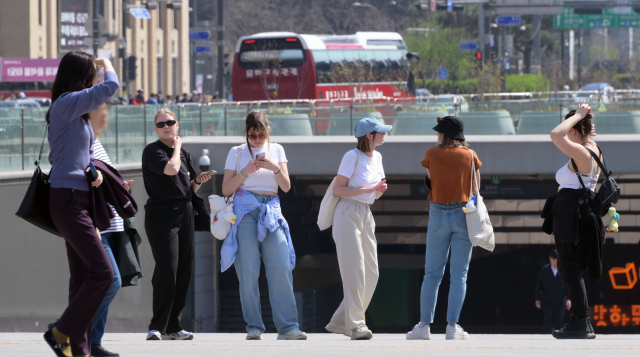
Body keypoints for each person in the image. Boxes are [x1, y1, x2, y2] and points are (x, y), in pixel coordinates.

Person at [43, 51, 119, 357]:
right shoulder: (67, 102)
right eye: (92, 72)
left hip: (79, 200)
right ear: (81, 75)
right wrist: (107, 64)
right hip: (68, 200)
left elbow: (77, 155)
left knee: (83, 276)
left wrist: (94, 171)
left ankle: (78, 348)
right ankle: (61, 331)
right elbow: (110, 86)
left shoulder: (73, 110)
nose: (96, 77)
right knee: (103, 273)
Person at [221, 111, 307, 341]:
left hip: (271, 209)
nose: (258, 140)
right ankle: (254, 326)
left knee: (280, 266)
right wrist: (244, 172)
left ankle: (288, 327)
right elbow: (226, 189)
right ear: (246, 133)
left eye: (262, 134)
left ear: (268, 131)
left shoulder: (277, 149)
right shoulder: (237, 152)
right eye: (252, 135)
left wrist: (274, 168)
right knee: (248, 270)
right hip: (245, 209)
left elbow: (286, 186)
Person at [407, 116, 481, 341]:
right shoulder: (470, 155)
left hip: (438, 214)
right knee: (459, 275)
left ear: (443, 134)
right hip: (462, 214)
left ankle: (423, 326)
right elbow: (476, 189)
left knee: (432, 273)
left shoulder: (431, 153)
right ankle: (452, 326)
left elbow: (429, 180)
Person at [142, 108, 212, 341]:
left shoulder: (185, 155)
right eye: (161, 124)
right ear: (156, 129)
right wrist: (178, 147)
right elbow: (171, 170)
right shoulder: (153, 151)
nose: (166, 127)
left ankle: (174, 326)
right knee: (168, 268)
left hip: (185, 211)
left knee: (184, 270)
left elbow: (187, 187)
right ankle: (156, 326)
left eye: (170, 122)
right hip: (161, 214)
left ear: (177, 124)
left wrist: (198, 182)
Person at [325, 118, 389, 341]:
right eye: (380, 132)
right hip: (347, 213)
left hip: (366, 213)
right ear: (369, 135)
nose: (384, 135)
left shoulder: (378, 157)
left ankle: (339, 322)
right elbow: (338, 189)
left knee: (372, 273)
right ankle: (356, 325)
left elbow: (374, 194)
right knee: (355, 271)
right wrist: (371, 187)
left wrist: (378, 190)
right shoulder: (351, 156)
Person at [547, 104, 603, 339]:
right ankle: (581, 320)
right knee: (571, 268)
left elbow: (554, 135)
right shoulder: (593, 148)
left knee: (569, 268)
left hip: (572, 213)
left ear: (573, 129)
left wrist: (579, 116)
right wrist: (581, 122)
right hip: (577, 211)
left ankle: (581, 321)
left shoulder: (582, 152)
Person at [87, 103, 134, 357]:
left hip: (109, 224)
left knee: (106, 282)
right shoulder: (84, 143)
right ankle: (78, 332)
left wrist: (119, 188)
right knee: (110, 280)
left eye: (107, 108)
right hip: (97, 225)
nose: (105, 113)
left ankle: (93, 343)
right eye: (100, 109)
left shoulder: (97, 143)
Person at [536, 249, 571, 334]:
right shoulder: (544, 269)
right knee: (547, 318)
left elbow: (568, 286)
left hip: (560, 299)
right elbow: (538, 285)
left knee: (559, 320)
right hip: (547, 299)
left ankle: (559, 337)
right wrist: (537, 299)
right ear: (550, 258)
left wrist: (569, 299)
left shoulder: (563, 270)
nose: (555, 263)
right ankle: (546, 335)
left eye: (557, 260)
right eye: (553, 260)